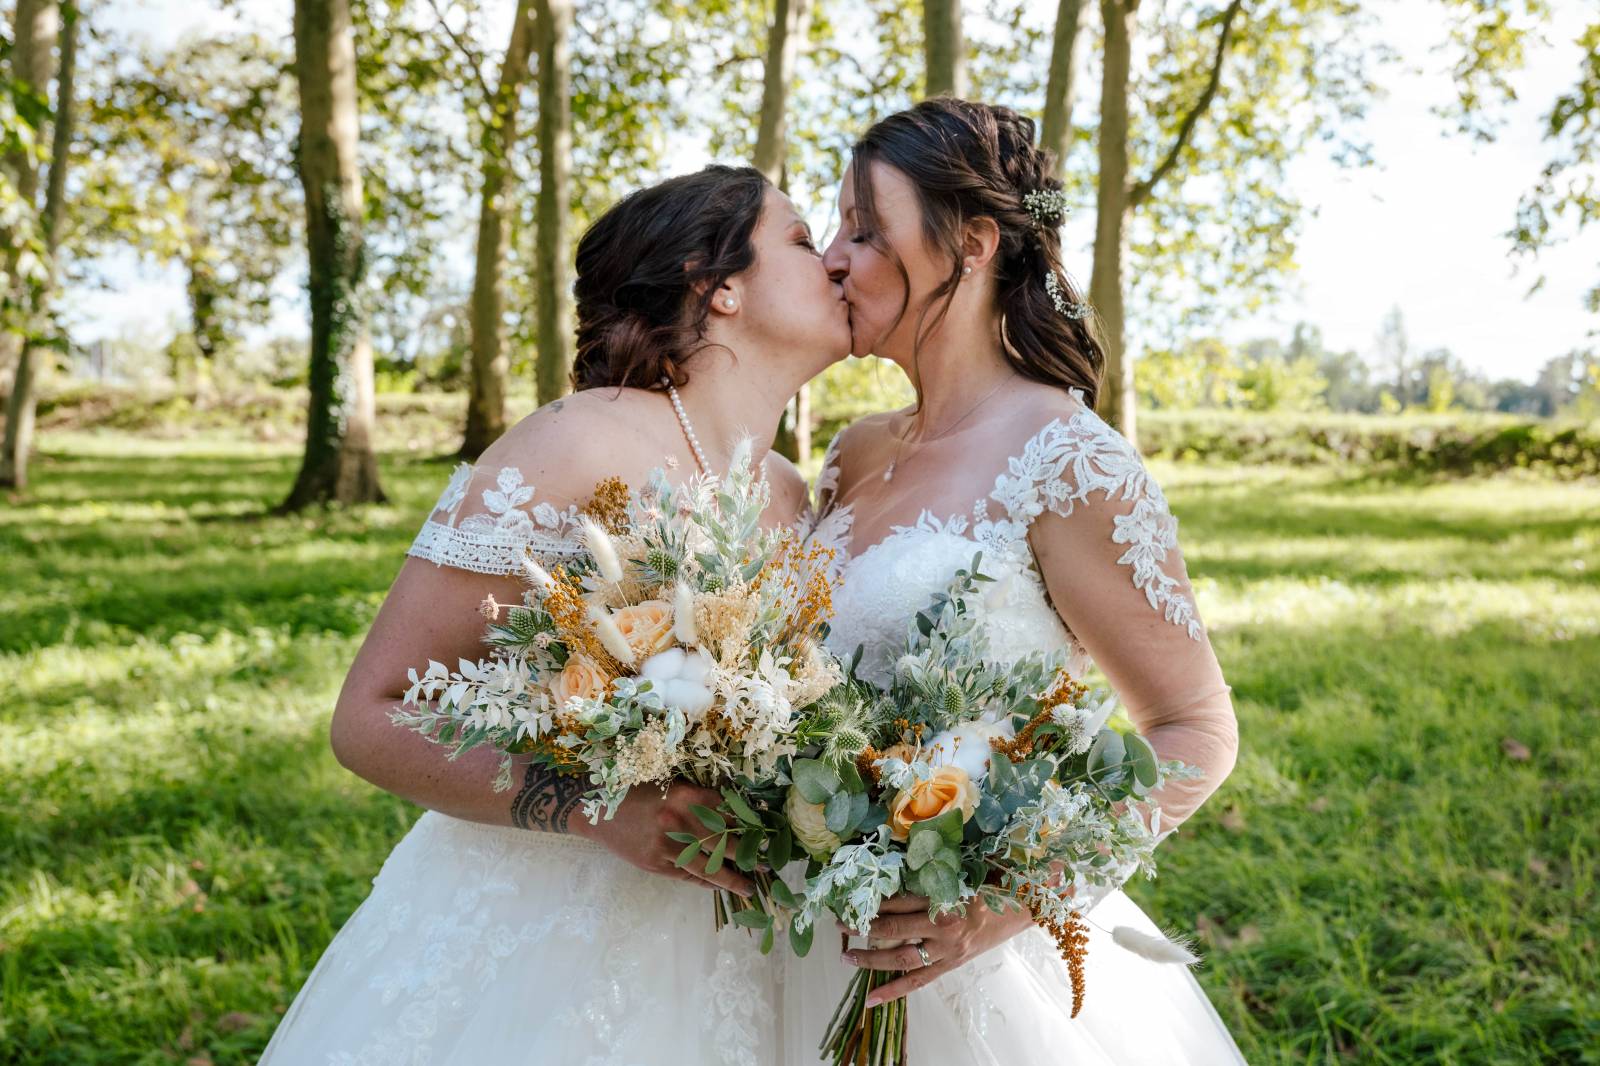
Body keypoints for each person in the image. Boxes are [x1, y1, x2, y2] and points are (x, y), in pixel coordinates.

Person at [257, 164, 850, 1064]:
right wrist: (593, 809)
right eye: (806, 242)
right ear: (717, 284)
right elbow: (368, 717)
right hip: (556, 940)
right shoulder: (578, 439)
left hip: (750, 944)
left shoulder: (788, 491)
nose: (839, 263)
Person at [780, 98, 1246, 1064]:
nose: (832, 257)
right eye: (835, 228)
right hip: (807, 938)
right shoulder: (855, 453)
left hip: (980, 971)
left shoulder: (1071, 462)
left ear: (975, 242)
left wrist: (998, 909)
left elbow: (1195, 733)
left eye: (865, 231)